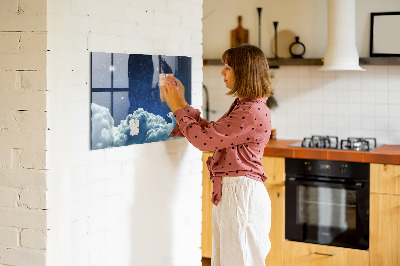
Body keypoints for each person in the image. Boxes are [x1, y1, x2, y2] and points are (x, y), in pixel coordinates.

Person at [161, 44, 273, 266]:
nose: (222, 72)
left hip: (241, 195)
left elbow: (204, 141)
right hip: (236, 193)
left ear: (244, 72)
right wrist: (182, 104)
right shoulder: (246, 106)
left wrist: (176, 108)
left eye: (228, 67)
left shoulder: (250, 111)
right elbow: (212, 133)